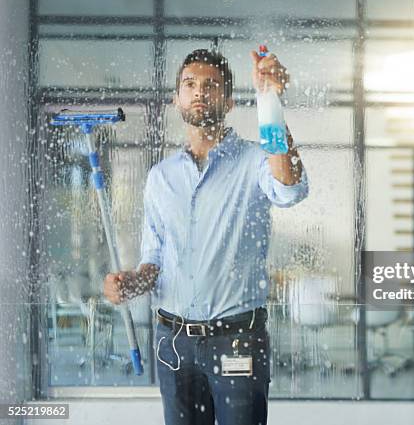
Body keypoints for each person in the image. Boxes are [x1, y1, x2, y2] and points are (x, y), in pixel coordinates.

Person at [103, 48, 309, 425]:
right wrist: (132, 283)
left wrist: (271, 101)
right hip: (173, 342)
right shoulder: (160, 177)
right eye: (190, 84)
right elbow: (156, 260)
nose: (199, 91)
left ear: (228, 101)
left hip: (237, 339)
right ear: (176, 99)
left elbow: (289, 188)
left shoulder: (254, 161)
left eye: (211, 85)